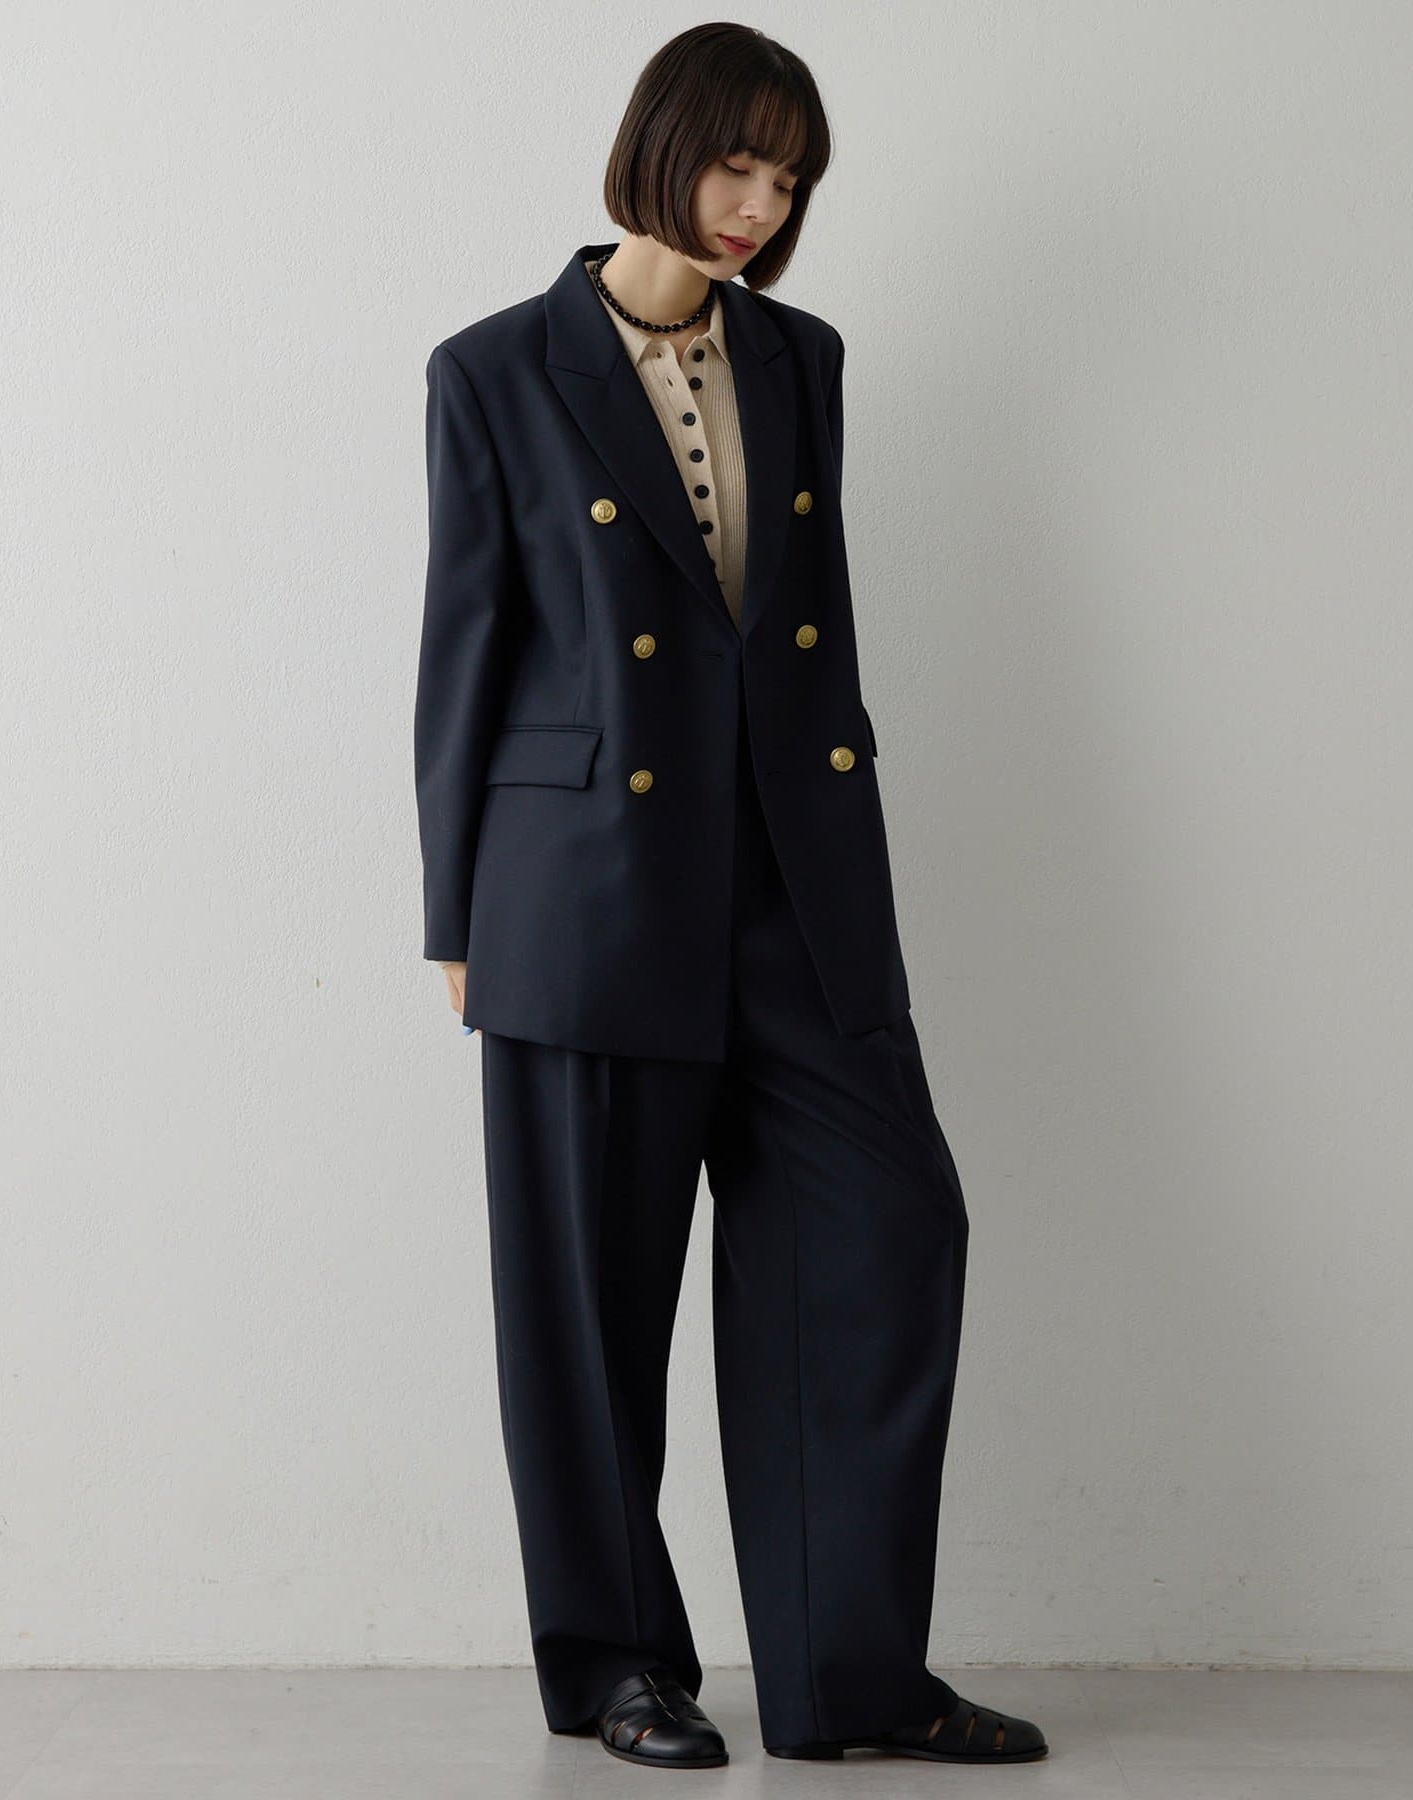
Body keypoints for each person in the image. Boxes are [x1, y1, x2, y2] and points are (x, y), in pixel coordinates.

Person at [413, 21, 1048, 1773]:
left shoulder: (801, 355)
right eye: (736, 164)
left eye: (790, 178)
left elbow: (802, 626)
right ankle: (618, 1664)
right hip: (585, 892)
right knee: (592, 1301)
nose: (760, 205)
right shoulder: (495, 370)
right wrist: (455, 913)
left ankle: (852, 1677)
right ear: (661, 143)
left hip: (795, 883)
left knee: (889, 1230)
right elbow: (466, 648)